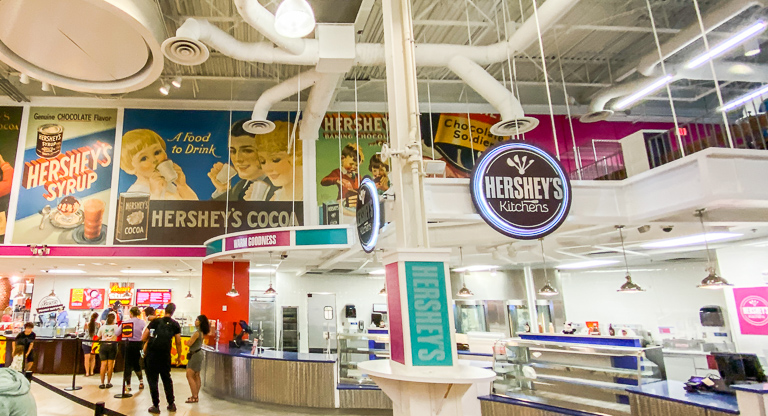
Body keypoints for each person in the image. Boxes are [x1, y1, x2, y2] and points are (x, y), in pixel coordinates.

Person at [208, 119, 277, 201]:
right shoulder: (240, 186)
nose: (238, 159)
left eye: (247, 151)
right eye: (232, 151)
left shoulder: (279, 188)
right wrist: (222, 189)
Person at [120, 129, 198, 200]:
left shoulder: (168, 184)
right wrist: (155, 194)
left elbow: (195, 205)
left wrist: (182, 185)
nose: (154, 160)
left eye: (157, 152)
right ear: (130, 168)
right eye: (144, 158)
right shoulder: (135, 192)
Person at [142, 303, 182, 414]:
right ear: (173, 312)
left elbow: (143, 337)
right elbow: (178, 342)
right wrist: (179, 356)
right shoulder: (175, 324)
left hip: (152, 355)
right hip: (165, 355)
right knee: (166, 379)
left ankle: (155, 405)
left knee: (153, 380)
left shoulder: (155, 322)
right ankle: (171, 404)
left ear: (165, 310)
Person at [249, 121, 303, 201]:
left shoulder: (311, 194)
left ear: (297, 156)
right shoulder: (276, 197)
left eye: (275, 160)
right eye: (262, 161)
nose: (267, 169)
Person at [321, 143, 364, 209]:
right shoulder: (337, 172)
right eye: (351, 164)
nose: (353, 167)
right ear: (342, 158)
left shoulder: (357, 176)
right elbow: (323, 181)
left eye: (356, 165)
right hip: (343, 205)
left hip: (355, 205)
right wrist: (337, 180)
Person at [120, 307, 147, 391]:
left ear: (131, 313)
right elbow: (145, 333)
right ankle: (141, 382)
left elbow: (117, 332)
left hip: (127, 345)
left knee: (127, 365)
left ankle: (128, 386)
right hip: (138, 345)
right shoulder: (142, 322)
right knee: (137, 364)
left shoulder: (126, 322)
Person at [184, 315, 210, 404]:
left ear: (200, 322)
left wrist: (188, 341)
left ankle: (194, 396)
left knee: (189, 375)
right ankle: (195, 395)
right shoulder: (202, 332)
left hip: (194, 355)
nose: (195, 321)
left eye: (197, 320)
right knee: (196, 375)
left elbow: (189, 343)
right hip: (199, 353)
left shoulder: (197, 333)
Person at [97, 312, 118, 389]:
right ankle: (108, 382)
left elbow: (98, 337)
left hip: (103, 345)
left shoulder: (102, 327)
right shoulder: (116, 327)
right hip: (112, 345)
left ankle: (102, 383)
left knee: (103, 364)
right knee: (110, 365)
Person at [82, 312, 100, 377]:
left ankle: (87, 373)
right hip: (94, 342)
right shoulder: (98, 325)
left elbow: (84, 331)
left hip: (86, 342)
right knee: (93, 358)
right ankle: (92, 372)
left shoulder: (86, 324)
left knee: (87, 358)